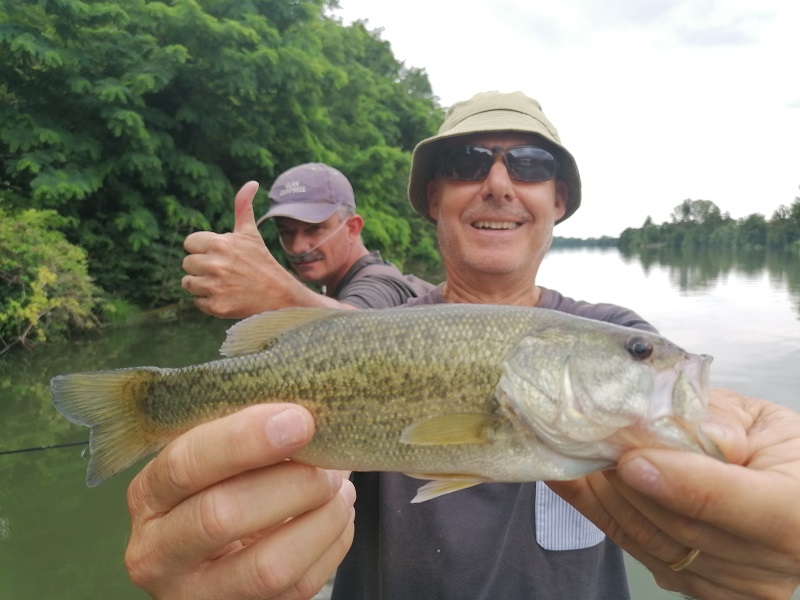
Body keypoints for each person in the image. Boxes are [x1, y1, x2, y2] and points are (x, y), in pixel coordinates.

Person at [124, 92, 800, 599]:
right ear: (433, 198)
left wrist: (741, 538)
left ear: (558, 199)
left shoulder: (614, 325)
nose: (499, 182)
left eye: (530, 164)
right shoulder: (388, 304)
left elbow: (704, 453)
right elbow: (351, 330)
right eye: (467, 162)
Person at [181, 162, 432, 318]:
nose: (298, 247)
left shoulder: (382, 284)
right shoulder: (334, 285)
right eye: (287, 232)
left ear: (353, 228)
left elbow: (359, 326)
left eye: (314, 229)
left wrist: (276, 293)